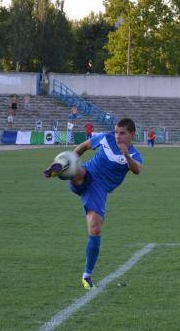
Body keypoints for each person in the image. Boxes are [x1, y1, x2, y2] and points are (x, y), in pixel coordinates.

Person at [44, 118, 143, 289]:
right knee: (78, 171)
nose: (117, 136)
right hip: (88, 173)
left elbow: (137, 170)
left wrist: (126, 154)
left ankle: (87, 276)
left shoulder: (134, 154)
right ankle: (63, 166)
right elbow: (84, 146)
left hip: (99, 190)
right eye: (116, 132)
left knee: (95, 228)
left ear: (132, 134)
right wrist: (72, 158)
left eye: (122, 133)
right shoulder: (105, 138)